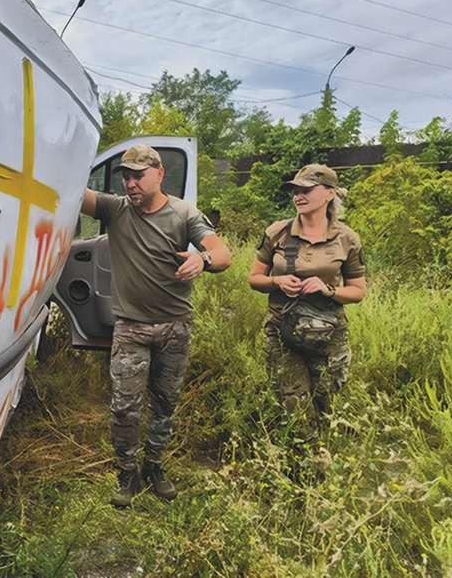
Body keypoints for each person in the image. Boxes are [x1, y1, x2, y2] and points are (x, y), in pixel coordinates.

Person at [80, 144, 231, 507]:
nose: (130, 183)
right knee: (125, 406)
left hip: (174, 327)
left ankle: (154, 465)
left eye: (138, 175)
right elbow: (69, 192)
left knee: (164, 403)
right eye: (125, 176)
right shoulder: (115, 209)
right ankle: (127, 472)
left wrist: (202, 260)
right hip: (130, 328)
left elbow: (223, 253)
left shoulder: (183, 213)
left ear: (159, 174)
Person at [248, 164, 367, 443]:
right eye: (295, 191)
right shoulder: (277, 232)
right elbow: (254, 278)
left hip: (328, 333)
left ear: (328, 194)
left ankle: (325, 462)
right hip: (282, 331)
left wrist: (327, 289)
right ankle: (303, 470)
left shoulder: (347, 238)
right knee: (294, 408)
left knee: (326, 401)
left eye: (306, 190)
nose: (298, 196)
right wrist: (277, 282)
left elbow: (358, 291)